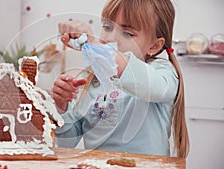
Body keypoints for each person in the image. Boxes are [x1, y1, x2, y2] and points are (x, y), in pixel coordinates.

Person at [51, 0, 189, 158]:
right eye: (107, 27)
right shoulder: (90, 79)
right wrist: (62, 106)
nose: (110, 38)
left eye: (127, 33)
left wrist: (95, 46)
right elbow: (67, 143)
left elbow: (150, 87)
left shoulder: (163, 73)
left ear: (154, 46)